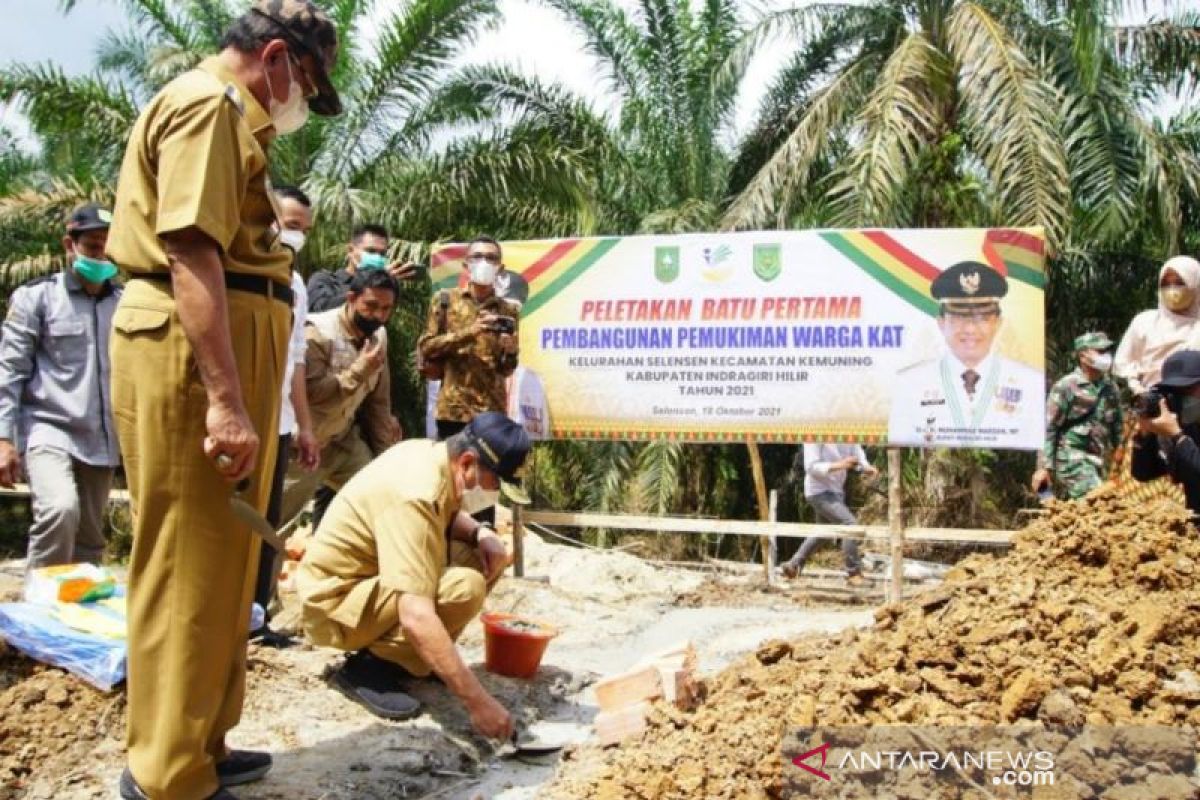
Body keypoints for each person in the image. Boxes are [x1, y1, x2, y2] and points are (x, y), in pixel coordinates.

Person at [105, 3, 341, 798]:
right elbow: (192, 248)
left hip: (230, 344)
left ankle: (203, 736)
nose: (302, 100)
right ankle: (167, 771)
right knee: (186, 561)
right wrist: (226, 403)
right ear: (274, 57)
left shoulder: (237, 119)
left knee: (229, 561)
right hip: (188, 350)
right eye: (304, 82)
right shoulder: (207, 106)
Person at [297, 412, 528, 735]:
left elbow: (446, 515)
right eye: (496, 484)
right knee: (466, 586)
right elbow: (415, 615)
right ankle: (370, 668)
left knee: (482, 557)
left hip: (368, 584)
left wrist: (481, 533)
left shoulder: (431, 456)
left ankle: (418, 659)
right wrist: (479, 703)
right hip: (335, 603)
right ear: (466, 463)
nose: (495, 495)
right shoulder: (416, 492)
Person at [0, 204, 121, 571]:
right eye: (93, 246)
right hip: (48, 428)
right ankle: (39, 611)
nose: (101, 255)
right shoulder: (37, 298)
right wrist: (4, 438)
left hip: (103, 437)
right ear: (70, 245)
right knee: (59, 509)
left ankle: (74, 619)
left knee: (88, 539)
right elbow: (10, 370)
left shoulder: (126, 304)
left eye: (108, 247)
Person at [250, 185, 321, 645]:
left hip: (279, 423)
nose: (296, 236)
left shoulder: (295, 285)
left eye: (303, 229)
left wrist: (305, 425)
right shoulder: (241, 271)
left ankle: (255, 619)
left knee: (266, 527)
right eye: (290, 224)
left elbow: (295, 359)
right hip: (244, 422)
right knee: (232, 525)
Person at [278, 269, 403, 526]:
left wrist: (385, 460)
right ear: (351, 298)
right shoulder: (317, 333)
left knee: (381, 500)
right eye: (371, 306)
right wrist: (360, 370)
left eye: (386, 309)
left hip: (342, 441)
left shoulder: (379, 335)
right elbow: (312, 395)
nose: (379, 315)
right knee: (278, 526)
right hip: (302, 446)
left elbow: (379, 404)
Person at [887, 261, 1044, 449]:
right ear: (941, 323)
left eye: (982, 318)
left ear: (998, 323)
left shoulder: (1030, 382)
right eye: (959, 317)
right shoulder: (909, 383)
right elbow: (899, 442)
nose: (970, 329)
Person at [419, 236, 520, 442]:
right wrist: (470, 332)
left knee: (487, 472)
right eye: (477, 257)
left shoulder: (508, 310)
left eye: (491, 258)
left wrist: (510, 352)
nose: (484, 262)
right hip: (453, 409)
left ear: (500, 268)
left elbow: (507, 369)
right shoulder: (445, 300)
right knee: (451, 471)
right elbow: (427, 347)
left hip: (492, 412)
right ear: (466, 265)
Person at [1031, 332, 1123, 500]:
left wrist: (1121, 457)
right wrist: (1043, 467)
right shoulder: (1067, 386)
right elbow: (1049, 428)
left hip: (1097, 459)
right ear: (1083, 355)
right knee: (1099, 498)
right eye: (1099, 351)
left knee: (1091, 506)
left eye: (1107, 351)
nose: (1106, 356)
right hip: (1070, 456)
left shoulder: (1111, 389)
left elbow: (1117, 427)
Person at [780, 444, 875, 585]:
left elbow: (857, 454)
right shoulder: (815, 433)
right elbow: (811, 467)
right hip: (818, 492)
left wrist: (866, 468)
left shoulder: (848, 433)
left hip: (836, 491)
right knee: (850, 525)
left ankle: (794, 565)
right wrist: (841, 465)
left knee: (823, 532)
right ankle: (853, 573)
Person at [1115, 256, 1200, 396]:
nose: (1173, 290)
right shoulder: (1144, 322)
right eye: (1166, 284)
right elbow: (1123, 363)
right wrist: (1138, 389)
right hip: (1151, 401)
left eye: (1180, 282)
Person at [1131, 349, 1200, 516]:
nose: (1180, 398)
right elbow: (1143, 473)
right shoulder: (1186, 426)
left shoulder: (1179, 432)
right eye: (1174, 392)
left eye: (1187, 389)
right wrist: (1145, 435)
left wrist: (1178, 436)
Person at [306, 223, 417, 313]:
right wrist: (368, 285)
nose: (377, 257)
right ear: (350, 250)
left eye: (382, 254)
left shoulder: (387, 286)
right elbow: (320, 310)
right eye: (370, 251)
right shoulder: (325, 279)